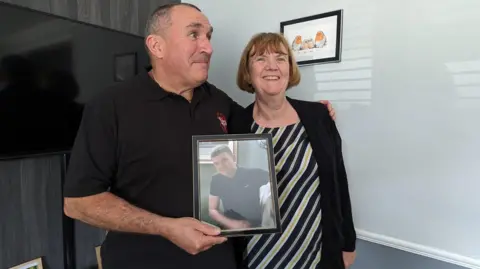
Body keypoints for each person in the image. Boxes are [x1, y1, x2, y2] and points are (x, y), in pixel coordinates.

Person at [62, 3, 336, 269]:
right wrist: (166, 227)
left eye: (208, 36)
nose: (208, 47)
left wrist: (311, 114)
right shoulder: (111, 106)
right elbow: (78, 203)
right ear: (157, 46)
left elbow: (266, 120)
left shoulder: (219, 102)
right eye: (194, 34)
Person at [229, 32, 357, 269]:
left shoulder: (318, 117)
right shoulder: (235, 123)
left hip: (316, 253)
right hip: (257, 255)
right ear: (247, 71)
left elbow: (338, 180)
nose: (271, 66)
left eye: (280, 58)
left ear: (290, 67)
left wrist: (348, 243)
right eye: (260, 59)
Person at [208, 144, 271, 230]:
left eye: (225, 160)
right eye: (216, 163)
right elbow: (212, 209)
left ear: (233, 158)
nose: (221, 166)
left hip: (257, 225)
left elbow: (276, 177)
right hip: (230, 226)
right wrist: (232, 224)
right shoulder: (216, 180)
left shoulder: (255, 173)